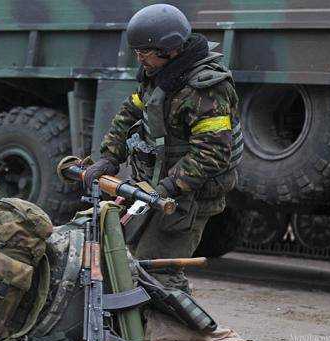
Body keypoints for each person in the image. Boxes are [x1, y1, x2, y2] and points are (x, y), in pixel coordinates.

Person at [83, 4, 243, 292]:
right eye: (137, 52)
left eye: (145, 52)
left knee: (158, 274)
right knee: (126, 263)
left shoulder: (206, 89)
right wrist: (109, 157)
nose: (139, 58)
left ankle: (172, 337)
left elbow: (213, 153)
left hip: (188, 197)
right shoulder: (160, 75)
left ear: (170, 49)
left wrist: (166, 188)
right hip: (158, 188)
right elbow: (131, 112)